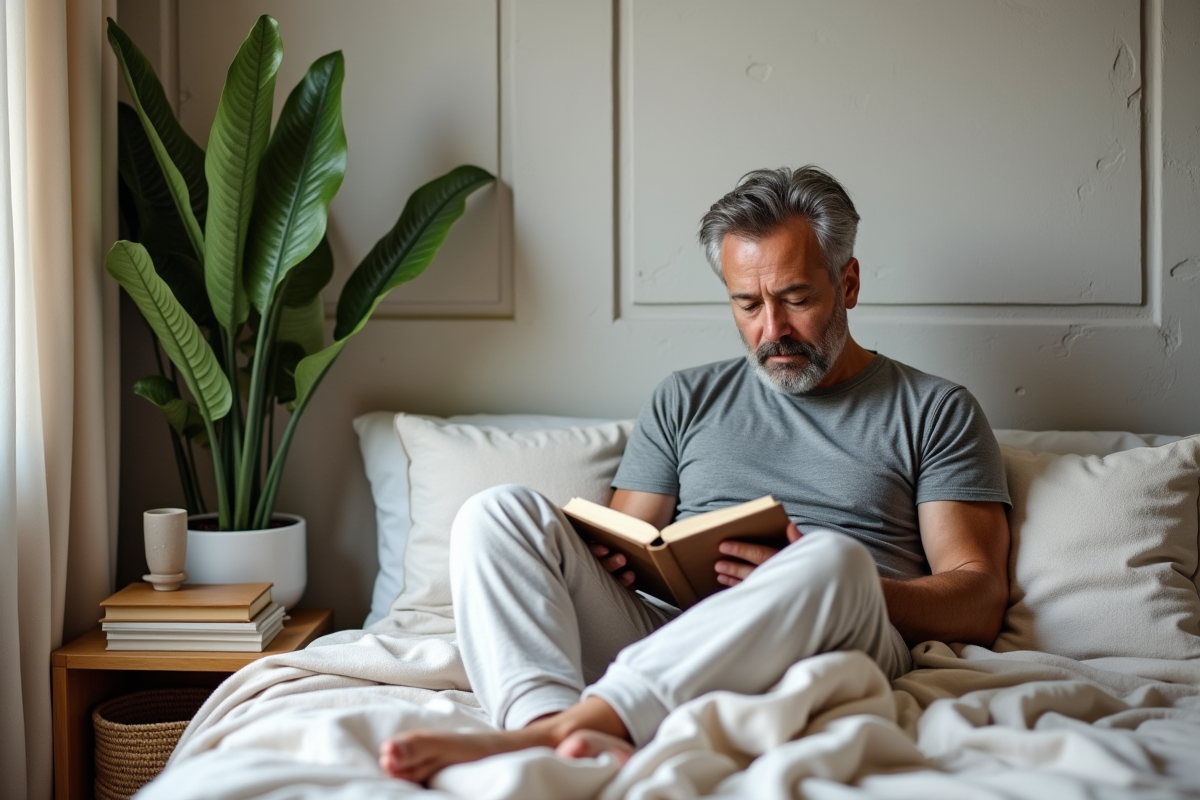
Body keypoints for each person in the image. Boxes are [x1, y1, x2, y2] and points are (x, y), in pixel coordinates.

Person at [379, 166, 1011, 782]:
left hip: (836, 634)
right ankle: (554, 730)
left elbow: (979, 597)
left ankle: (577, 724)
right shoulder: (685, 398)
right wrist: (613, 556)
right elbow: (626, 534)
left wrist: (837, 578)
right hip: (675, 638)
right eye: (747, 303)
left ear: (847, 283)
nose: (772, 330)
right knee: (494, 511)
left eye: (796, 299)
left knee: (830, 559)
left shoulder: (934, 409)